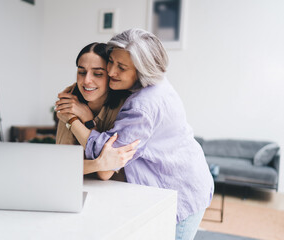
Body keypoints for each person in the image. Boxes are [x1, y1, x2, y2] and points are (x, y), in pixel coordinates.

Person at [57, 29, 214, 240]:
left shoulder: (142, 105)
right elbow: (61, 167)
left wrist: (76, 120)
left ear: (142, 71)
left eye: (121, 67)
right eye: (111, 62)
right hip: (161, 181)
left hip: (178, 188)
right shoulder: (140, 88)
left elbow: (108, 161)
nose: (112, 71)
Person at [55, 42, 138, 178]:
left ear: (111, 76)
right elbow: (63, 166)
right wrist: (98, 164)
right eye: (81, 72)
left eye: (98, 74)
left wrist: (85, 121)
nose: (87, 80)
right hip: (81, 187)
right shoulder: (70, 104)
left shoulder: (125, 108)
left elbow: (105, 174)